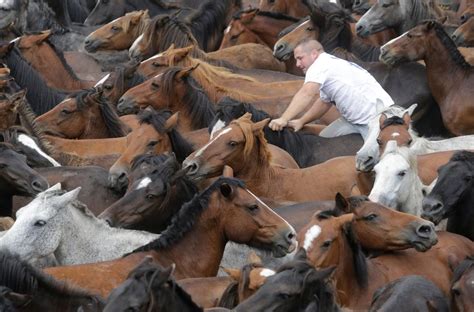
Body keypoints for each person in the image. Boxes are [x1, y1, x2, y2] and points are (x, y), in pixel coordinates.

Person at [268, 39, 394, 140]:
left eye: (300, 58)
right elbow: (324, 102)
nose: (297, 64)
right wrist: (301, 121)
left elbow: (307, 93)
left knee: (373, 162)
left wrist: (283, 119)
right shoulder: (330, 65)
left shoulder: (320, 65)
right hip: (354, 122)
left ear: (314, 54)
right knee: (325, 139)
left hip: (378, 122)